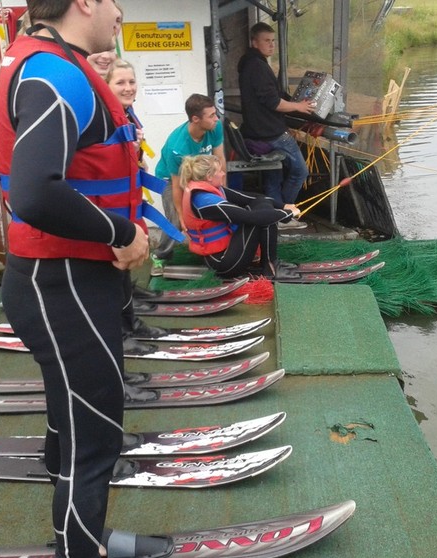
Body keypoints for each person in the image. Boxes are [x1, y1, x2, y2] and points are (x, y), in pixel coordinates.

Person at [0, 1, 152, 558]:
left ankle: (78, 542)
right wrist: (121, 233)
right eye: (111, 0)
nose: (117, 11)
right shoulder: (57, 73)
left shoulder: (43, 62)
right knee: (94, 443)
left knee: (69, 429)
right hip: (63, 287)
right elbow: (35, 192)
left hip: (52, 282)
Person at [104, 58, 166, 345]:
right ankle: (118, 330)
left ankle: (129, 322)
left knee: (123, 267)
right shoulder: (104, 118)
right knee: (111, 268)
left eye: (131, 82)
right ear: (106, 86)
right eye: (120, 82)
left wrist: (137, 154)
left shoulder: (126, 115)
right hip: (108, 206)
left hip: (127, 202)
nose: (128, 87)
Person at [237, 22, 313, 230]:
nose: (271, 45)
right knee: (300, 171)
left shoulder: (249, 63)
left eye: (273, 41)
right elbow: (273, 102)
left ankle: (273, 218)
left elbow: (275, 95)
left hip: (254, 131)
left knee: (274, 174)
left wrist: (294, 102)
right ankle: (283, 214)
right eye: (266, 41)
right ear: (254, 42)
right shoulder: (257, 67)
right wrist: (299, 106)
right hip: (271, 132)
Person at [180, 154, 300, 278]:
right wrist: (287, 214)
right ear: (209, 176)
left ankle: (270, 264)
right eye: (219, 171)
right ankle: (271, 267)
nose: (223, 174)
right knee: (261, 217)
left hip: (226, 252)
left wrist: (284, 206)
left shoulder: (212, 188)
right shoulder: (205, 201)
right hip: (222, 264)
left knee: (262, 205)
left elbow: (253, 198)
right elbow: (251, 217)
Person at [153, 93, 227, 258]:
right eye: (211, 116)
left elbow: (220, 159)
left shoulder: (215, 127)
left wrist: (222, 189)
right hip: (171, 178)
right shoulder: (177, 147)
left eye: (215, 114)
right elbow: (177, 184)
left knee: (216, 205)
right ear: (195, 119)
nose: (216, 119)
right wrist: (182, 215)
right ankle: (161, 255)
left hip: (199, 174)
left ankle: (213, 247)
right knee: (176, 220)